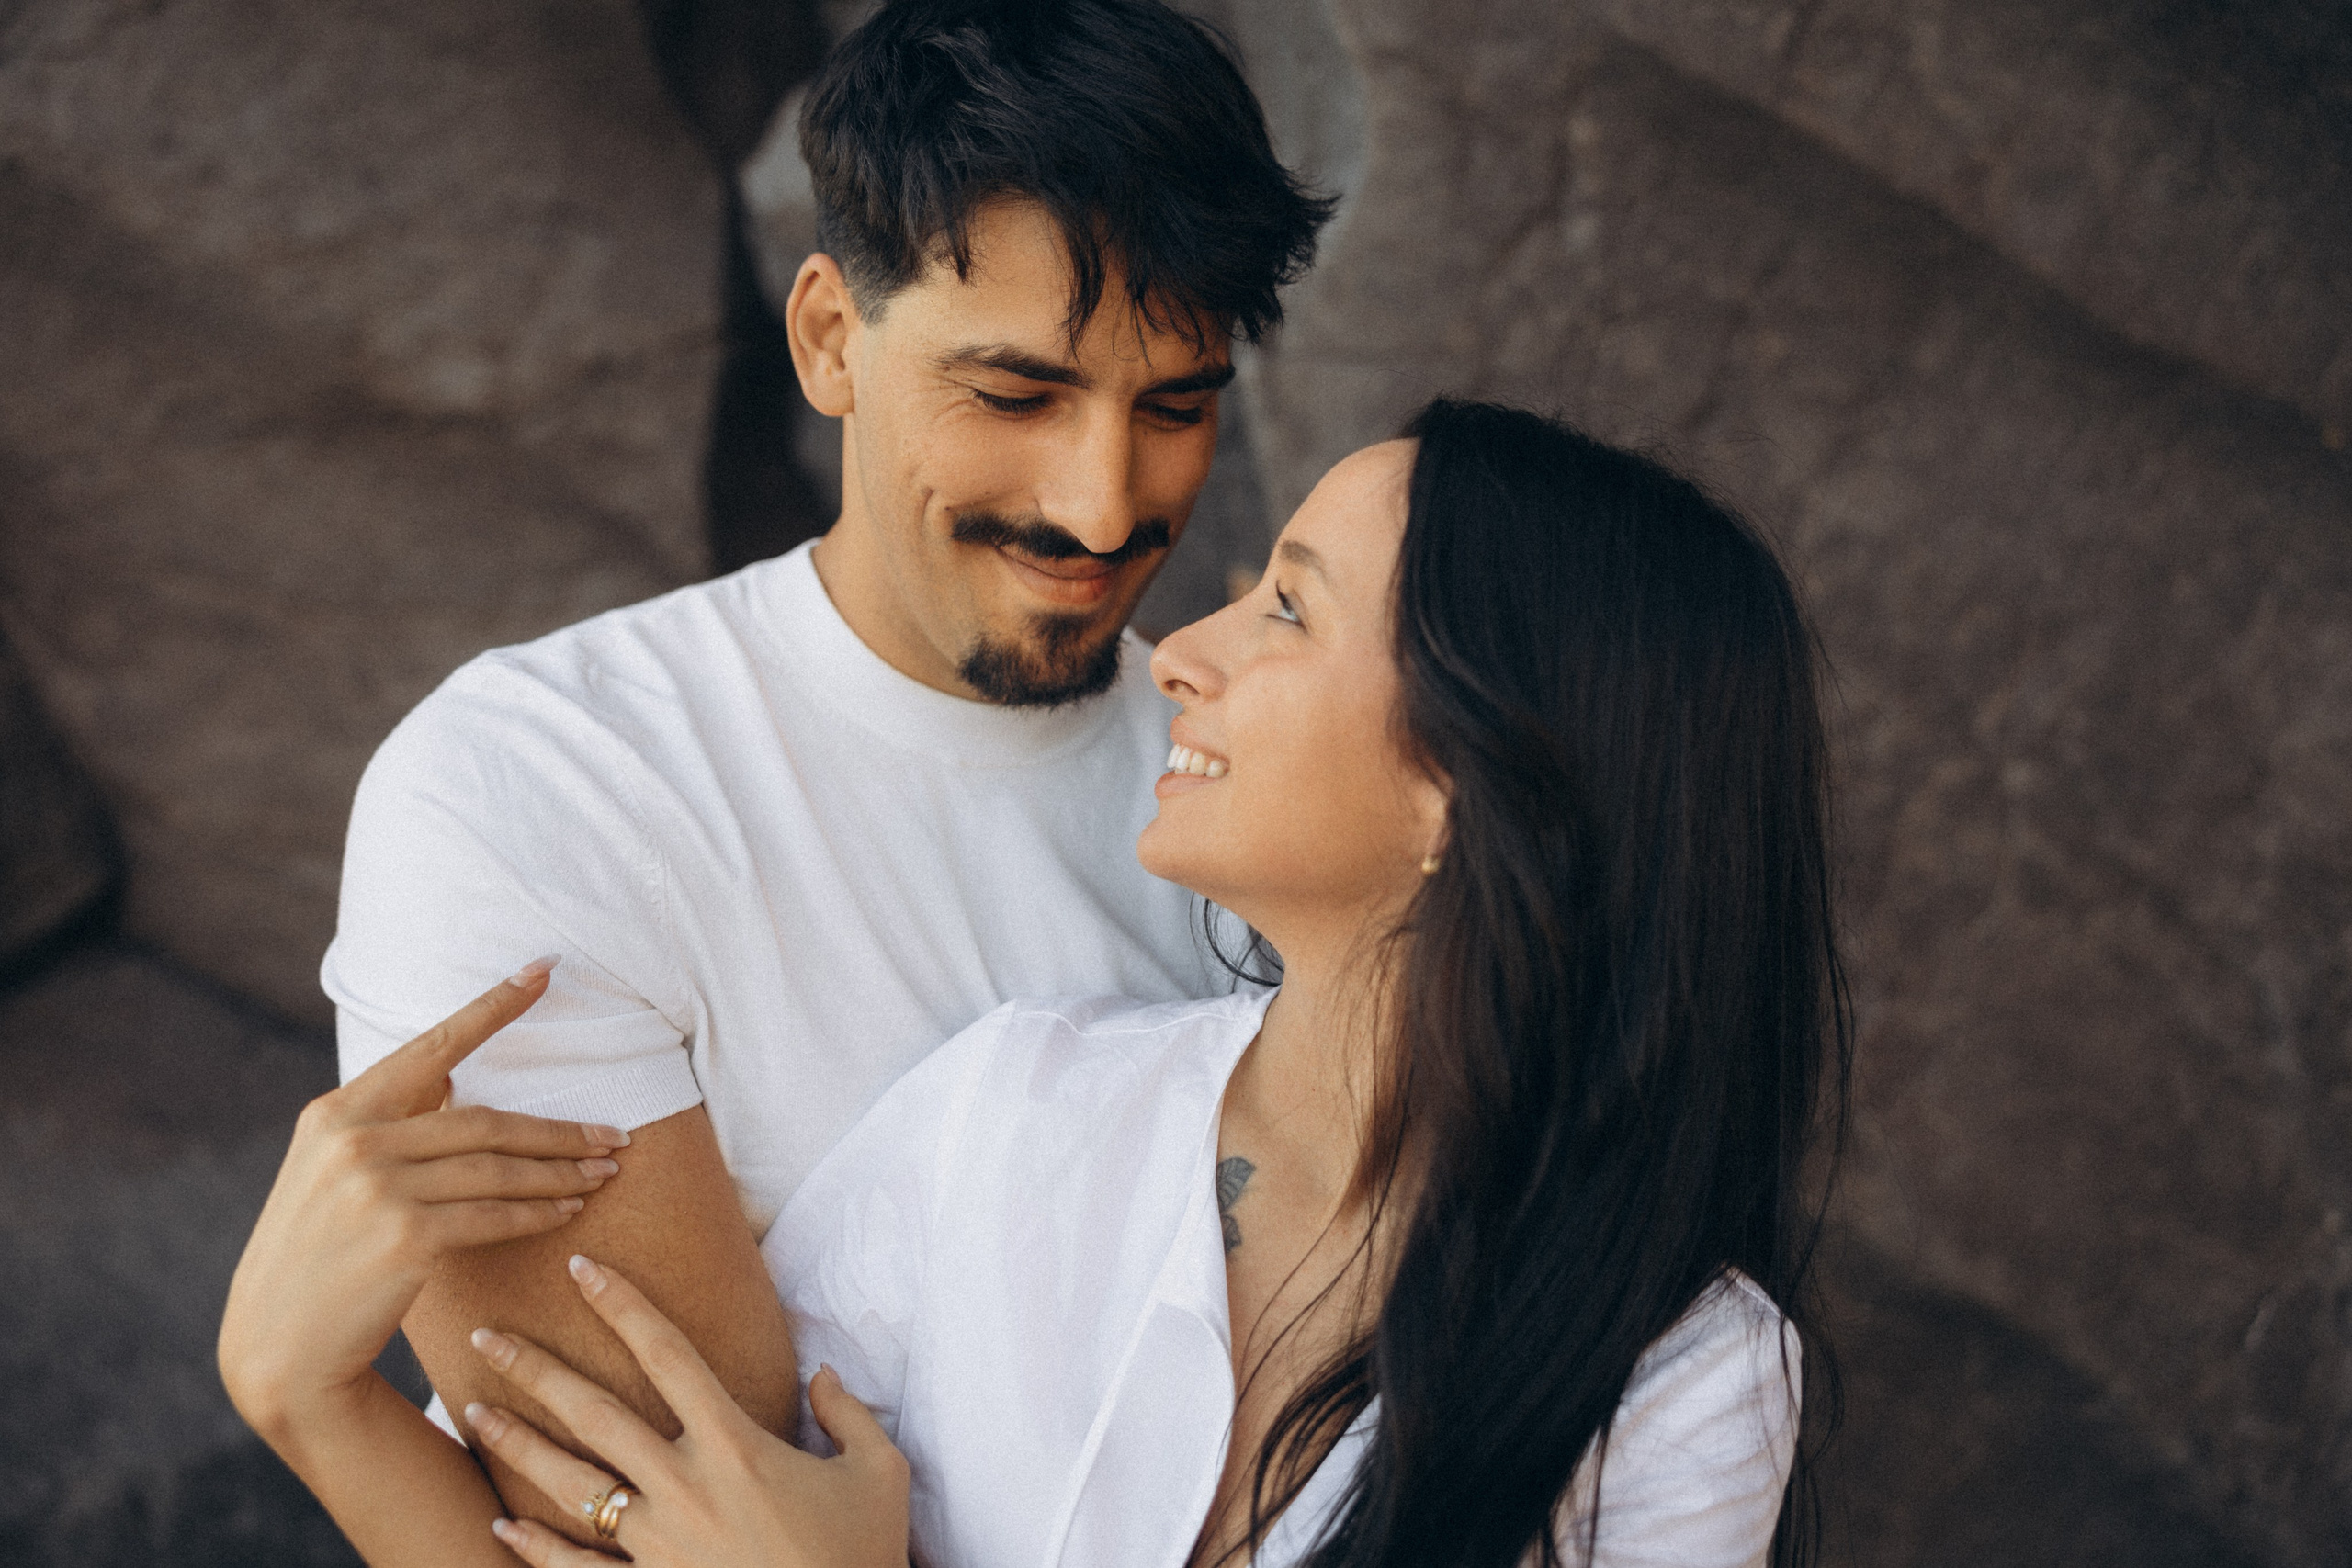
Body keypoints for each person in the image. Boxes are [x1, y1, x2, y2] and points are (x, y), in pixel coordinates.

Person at [225, 400, 1851, 1567]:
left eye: (1291, 607)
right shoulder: (1018, 1102)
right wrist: (314, 1403)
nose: (1190, 649)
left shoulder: (1687, 1379)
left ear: (1472, 788)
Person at [305, 0, 1329, 1548]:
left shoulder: (1269, 793)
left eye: (1175, 406)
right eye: (1017, 395)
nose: (1105, 505)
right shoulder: (540, 786)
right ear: (829, 338)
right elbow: (622, 1524)